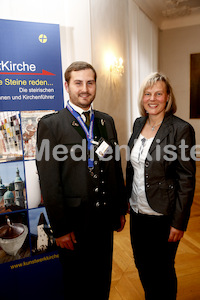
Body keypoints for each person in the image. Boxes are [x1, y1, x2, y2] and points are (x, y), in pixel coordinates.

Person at [36, 61, 127, 300]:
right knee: (77, 285)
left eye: (90, 82)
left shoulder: (106, 121)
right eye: (78, 83)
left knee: (101, 281)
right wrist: (61, 229)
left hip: (104, 221)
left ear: (95, 85)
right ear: (67, 86)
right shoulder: (51, 125)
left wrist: (119, 208)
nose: (85, 88)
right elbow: (49, 182)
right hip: (74, 224)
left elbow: (114, 168)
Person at [126, 72, 196, 300]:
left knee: (162, 271)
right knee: (142, 265)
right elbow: (132, 166)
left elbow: (186, 178)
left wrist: (179, 221)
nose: (152, 98)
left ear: (167, 97)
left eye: (158, 93)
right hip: (138, 212)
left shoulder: (181, 129)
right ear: (142, 98)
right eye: (148, 93)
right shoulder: (138, 124)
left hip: (163, 214)